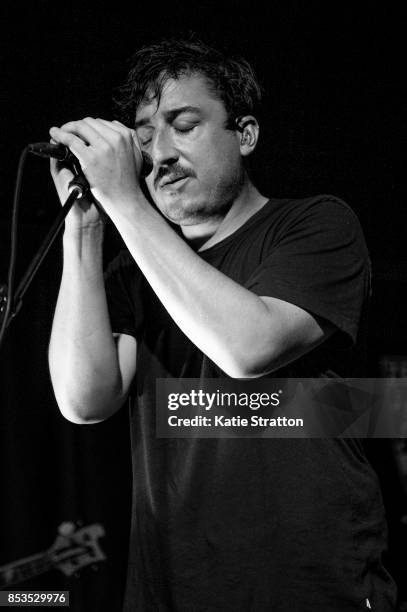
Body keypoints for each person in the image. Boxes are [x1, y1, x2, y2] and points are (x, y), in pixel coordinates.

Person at [48, 38, 396, 611]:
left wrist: (126, 201)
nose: (158, 154)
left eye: (183, 125)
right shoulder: (133, 271)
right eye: (143, 136)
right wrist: (84, 227)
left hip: (308, 589)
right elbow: (84, 401)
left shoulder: (315, 224)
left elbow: (248, 349)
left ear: (246, 134)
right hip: (174, 590)